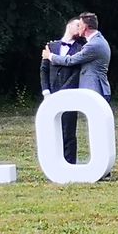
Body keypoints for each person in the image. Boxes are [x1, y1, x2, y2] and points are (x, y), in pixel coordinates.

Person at [40, 18, 84, 164]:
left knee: (68, 130)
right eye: (78, 25)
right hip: (51, 94)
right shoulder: (51, 46)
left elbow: (77, 73)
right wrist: (46, 91)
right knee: (53, 129)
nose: (80, 28)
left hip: (69, 94)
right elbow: (44, 70)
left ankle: (70, 162)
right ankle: (54, 162)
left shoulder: (81, 48)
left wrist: (63, 92)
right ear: (69, 25)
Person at [42, 12, 111, 102]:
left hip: (95, 89)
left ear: (85, 27)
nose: (79, 28)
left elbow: (71, 60)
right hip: (95, 89)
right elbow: (44, 69)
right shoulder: (97, 41)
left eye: (80, 25)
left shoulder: (93, 45)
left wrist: (50, 56)